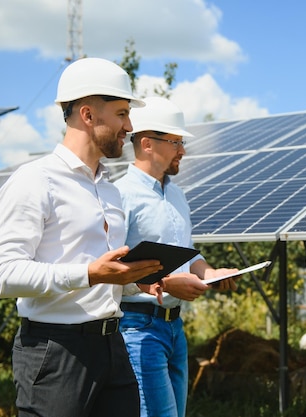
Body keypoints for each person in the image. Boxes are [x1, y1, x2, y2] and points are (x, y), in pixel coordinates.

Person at [0, 57, 164, 417]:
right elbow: (2, 276)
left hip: (113, 347)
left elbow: (104, 272)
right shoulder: (35, 180)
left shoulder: (110, 190)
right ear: (87, 115)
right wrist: (89, 274)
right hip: (55, 351)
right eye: (121, 114)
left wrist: (133, 282)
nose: (130, 126)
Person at [115, 96, 238, 417]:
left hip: (175, 330)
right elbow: (111, 268)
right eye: (175, 142)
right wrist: (167, 284)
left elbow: (189, 253)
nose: (182, 150)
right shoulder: (120, 195)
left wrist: (209, 273)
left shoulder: (177, 194)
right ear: (147, 144)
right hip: (138, 328)